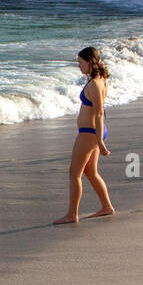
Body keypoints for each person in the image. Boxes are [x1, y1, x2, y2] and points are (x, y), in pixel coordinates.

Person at [54, 47, 115, 224]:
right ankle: (106, 206)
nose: (79, 66)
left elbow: (99, 113)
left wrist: (100, 142)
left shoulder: (96, 83)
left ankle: (72, 214)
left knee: (74, 173)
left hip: (90, 133)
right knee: (90, 172)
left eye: (81, 62)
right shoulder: (101, 79)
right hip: (92, 132)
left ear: (90, 62)